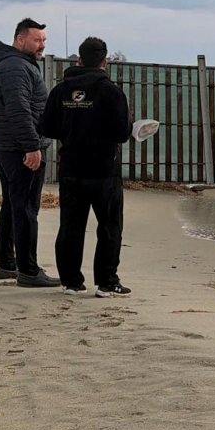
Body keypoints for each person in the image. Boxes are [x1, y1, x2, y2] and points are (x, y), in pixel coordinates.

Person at [41, 36, 133, 297]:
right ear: (105, 62)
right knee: (109, 226)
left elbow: (47, 127)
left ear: (79, 59)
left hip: (71, 168)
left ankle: (70, 281)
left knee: (71, 225)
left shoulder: (61, 90)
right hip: (104, 170)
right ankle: (106, 282)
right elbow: (121, 133)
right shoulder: (112, 92)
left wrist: (71, 128)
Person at [0, 18, 61, 287]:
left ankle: (8, 264)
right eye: (36, 40)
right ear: (20, 40)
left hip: (8, 146)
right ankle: (28, 270)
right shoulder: (17, 67)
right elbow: (18, 109)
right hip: (20, 149)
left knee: (12, 205)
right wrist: (32, 146)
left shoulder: (14, 65)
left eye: (43, 40)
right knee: (26, 208)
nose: (41, 45)